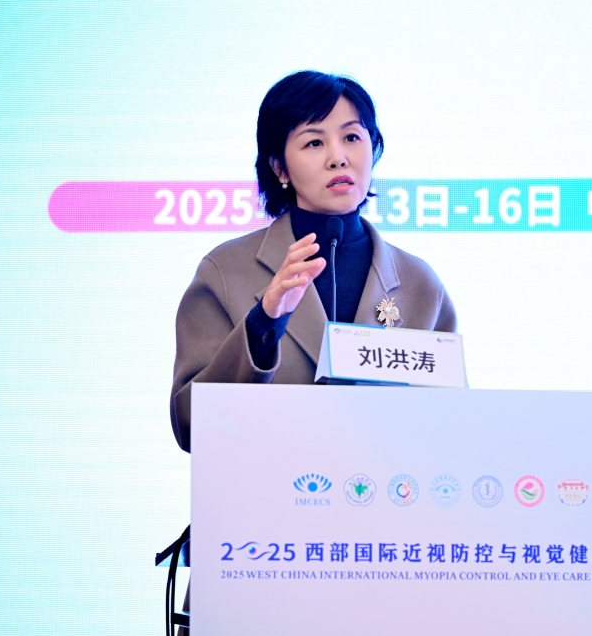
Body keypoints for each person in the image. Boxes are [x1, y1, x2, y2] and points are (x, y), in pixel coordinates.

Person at [169, 71, 457, 452]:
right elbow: (190, 424)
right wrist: (263, 323)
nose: (338, 158)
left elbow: (452, 428)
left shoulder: (420, 283)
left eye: (352, 138)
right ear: (279, 168)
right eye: (314, 142)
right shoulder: (225, 271)